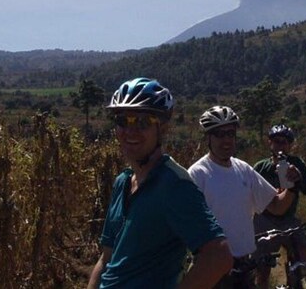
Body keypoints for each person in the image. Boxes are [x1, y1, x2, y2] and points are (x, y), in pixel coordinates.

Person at [87, 77, 232, 289]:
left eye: (143, 122)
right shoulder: (123, 182)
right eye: (122, 121)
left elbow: (219, 255)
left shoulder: (174, 184)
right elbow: (106, 258)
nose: (130, 131)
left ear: (163, 129)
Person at [188, 106, 299, 288]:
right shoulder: (198, 174)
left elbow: (277, 206)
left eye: (230, 133)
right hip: (210, 266)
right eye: (219, 134)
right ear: (208, 137)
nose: (226, 140)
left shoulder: (244, 169)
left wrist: (292, 186)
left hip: (244, 266)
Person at [253, 124, 306, 289]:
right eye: (277, 141)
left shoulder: (296, 163)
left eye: (285, 142)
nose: (281, 145)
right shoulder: (261, 167)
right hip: (265, 220)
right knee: (262, 269)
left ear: (290, 145)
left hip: (289, 220)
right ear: (270, 143)